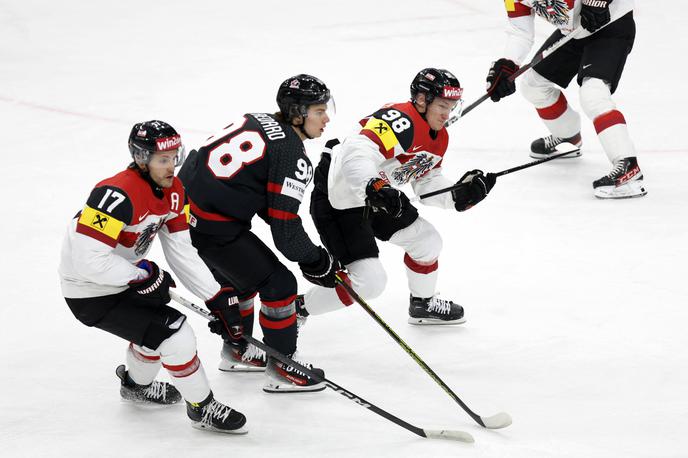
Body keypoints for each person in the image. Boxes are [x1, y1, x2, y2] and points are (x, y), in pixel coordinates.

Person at [58, 120, 247, 434]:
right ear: (141, 159)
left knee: (155, 333)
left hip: (121, 280)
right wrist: (141, 275)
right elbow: (87, 261)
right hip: (89, 291)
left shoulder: (175, 191)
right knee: (176, 335)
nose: (172, 166)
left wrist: (216, 296)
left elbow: (181, 250)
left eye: (174, 157)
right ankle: (202, 407)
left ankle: (135, 385)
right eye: (163, 159)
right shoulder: (115, 194)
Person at [177, 74, 339, 392]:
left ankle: (239, 351)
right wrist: (318, 262)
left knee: (240, 277)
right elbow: (286, 233)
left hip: (184, 213)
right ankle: (284, 365)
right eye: (319, 111)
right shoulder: (293, 155)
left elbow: (256, 191)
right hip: (213, 227)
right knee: (280, 284)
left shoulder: (258, 119)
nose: (327, 118)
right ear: (297, 113)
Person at [297, 68, 496, 326]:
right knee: (369, 283)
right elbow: (357, 152)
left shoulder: (439, 137)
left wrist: (458, 194)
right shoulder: (400, 120)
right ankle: (296, 309)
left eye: (452, 107)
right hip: (340, 198)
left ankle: (422, 304)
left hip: (377, 196)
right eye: (442, 106)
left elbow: (426, 183)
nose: (447, 115)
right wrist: (375, 186)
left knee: (427, 242)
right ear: (422, 100)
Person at [486, 0, 645, 199]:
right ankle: (568, 135)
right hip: (574, 32)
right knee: (533, 85)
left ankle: (628, 167)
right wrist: (508, 64)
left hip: (610, 25)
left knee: (593, 92)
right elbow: (520, 31)